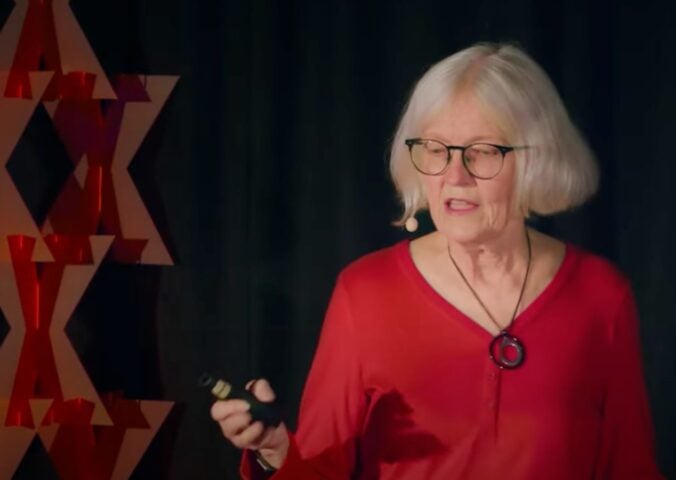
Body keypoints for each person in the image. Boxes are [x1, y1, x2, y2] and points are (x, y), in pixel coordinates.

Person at [211, 42, 664, 479]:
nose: (454, 175)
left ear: (535, 162)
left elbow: (631, 469)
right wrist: (275, 451)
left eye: (483, 151)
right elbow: (320, 473)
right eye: (436, 149)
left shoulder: (601, 294)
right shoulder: (365, 292)